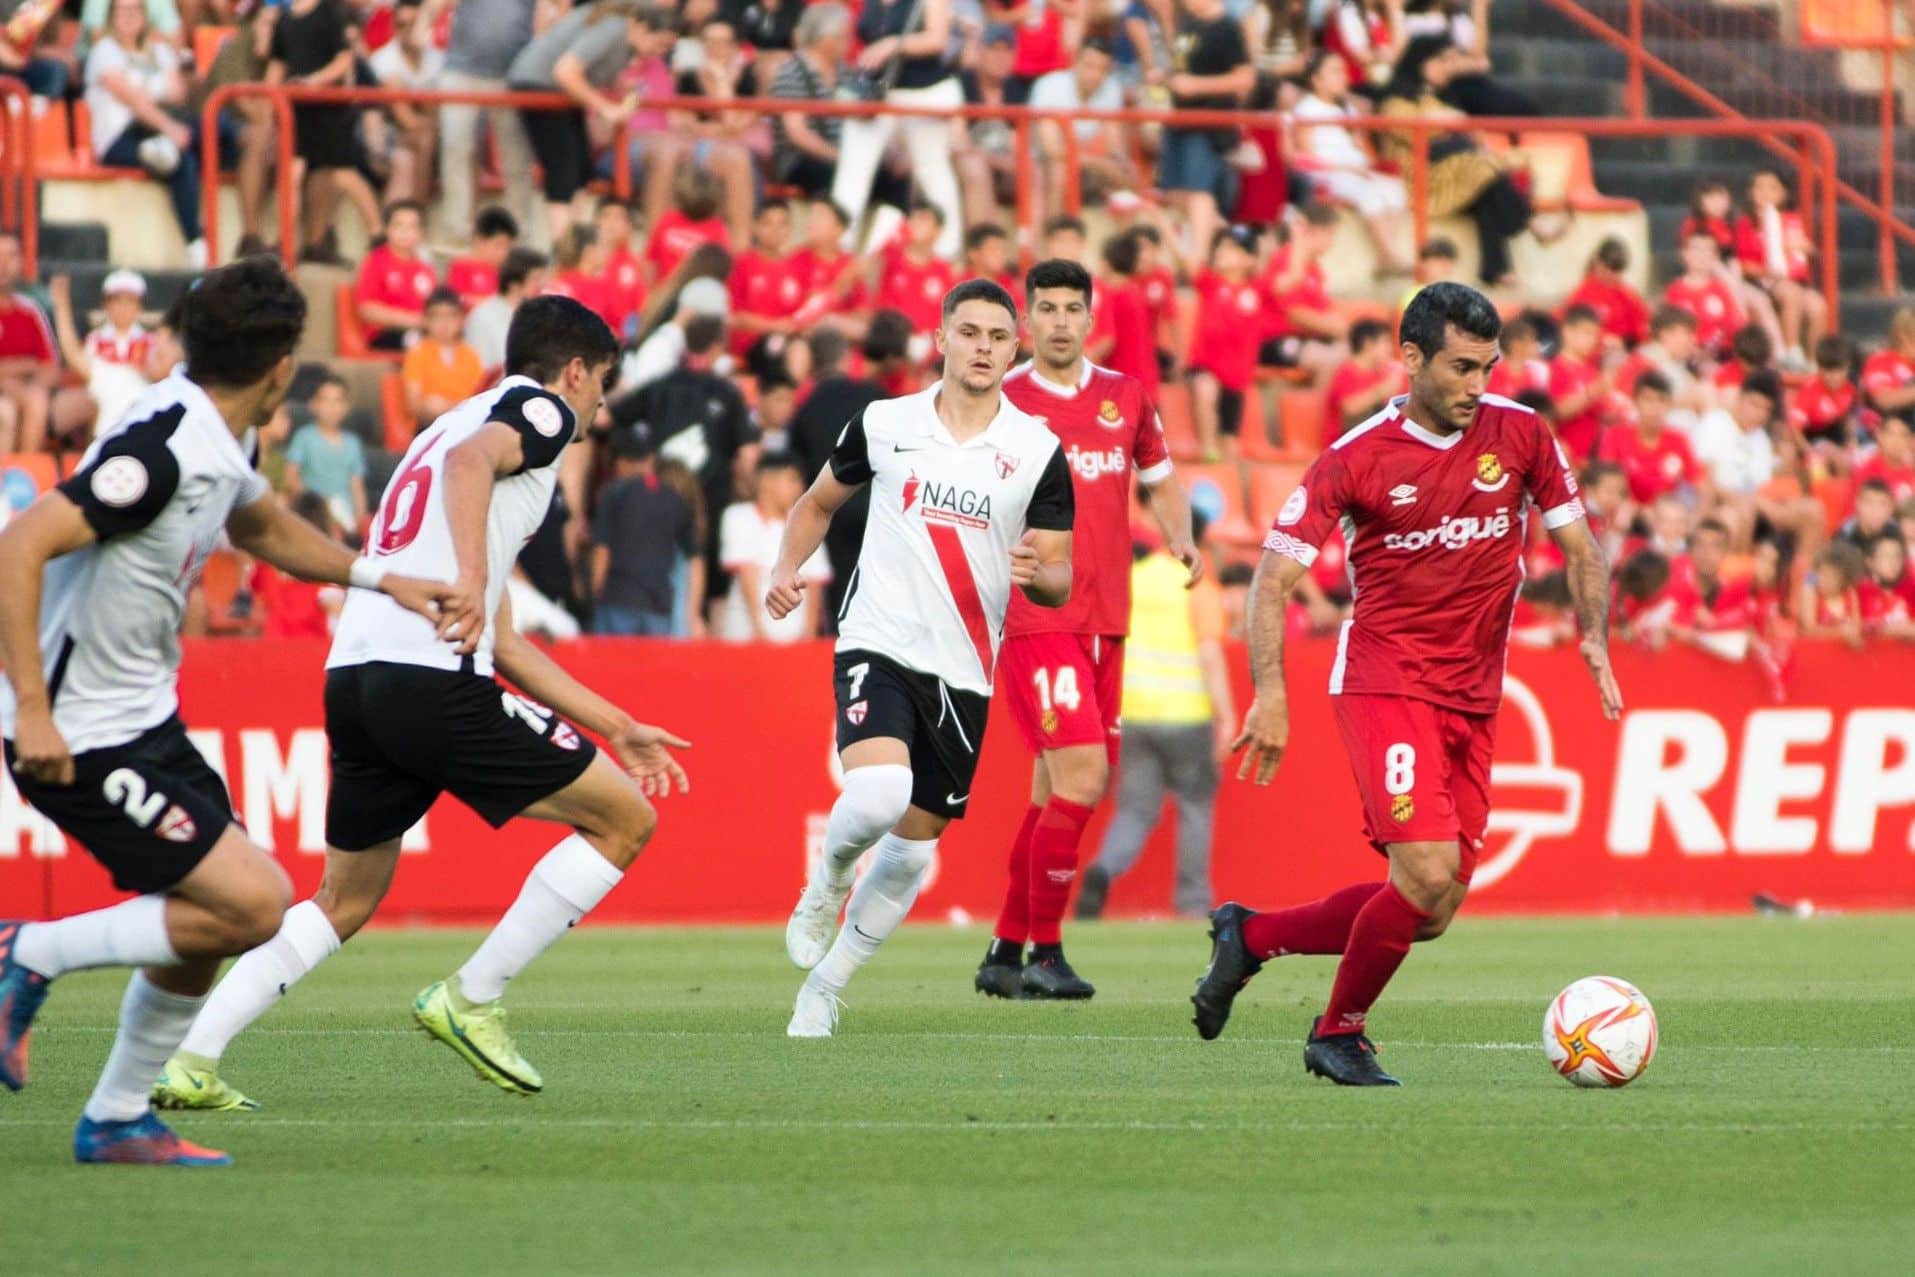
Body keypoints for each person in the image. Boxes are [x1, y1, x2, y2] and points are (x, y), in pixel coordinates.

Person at [150, 296, 691, 1111]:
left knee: (344, 899)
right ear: (574, 371)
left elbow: (504, 639)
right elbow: (473, 473)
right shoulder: (535, 412)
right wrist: (473, 575)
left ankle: (191, 1056)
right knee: (625, 821)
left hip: (358, 678)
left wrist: (616, 724)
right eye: (603, 385)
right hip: (428, 677)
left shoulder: (447, 426)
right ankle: (471, 998)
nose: (600, 407)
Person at [0, 258, 454, 1164]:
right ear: (284, 362)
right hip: (77, 727)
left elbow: (261, 526)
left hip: (141, 719)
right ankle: (25, 948)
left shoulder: (216, 430)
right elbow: (21, 540)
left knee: (209, 915)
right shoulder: (165, 446)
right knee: (255, 900)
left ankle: (120, 1116)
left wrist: (377, 575)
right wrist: (37, 711)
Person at [1194, 281, 1622, 1085]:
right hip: (1384, 679)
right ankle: (1336, 1033)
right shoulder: (1356, 457)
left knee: (1432, 908)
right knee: (1421, 874)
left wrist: (1593, 632)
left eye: (1487, 367)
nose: (1476, 384)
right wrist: (1271, 691)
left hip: (1473, 691)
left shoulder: (1522, 434)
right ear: (1412, 357)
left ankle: (1247, 937)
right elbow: (1271, 579)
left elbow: (1582, 544)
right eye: (1460, 367)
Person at [772, 279, 1076, 1037]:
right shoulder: (883, 422)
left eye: (996, 336)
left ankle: (826, 985)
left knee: (909, 855)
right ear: (938, 339)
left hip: (966, 668)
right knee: (875, 795)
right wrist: (785, 569)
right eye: (966, 331)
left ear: (1016, 348)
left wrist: (1044, 578)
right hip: (877, 638)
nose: (981, 346)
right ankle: (827, 879)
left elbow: (1062, 576)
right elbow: (815, 503)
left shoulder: (1036, 450)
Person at [977, 259, 1198, 1000]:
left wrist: (1181, 537)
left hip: (1107, 621)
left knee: (1053, 791)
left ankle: (1004, 950)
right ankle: (1046, 951)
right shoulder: (1001, 400)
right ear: (1027, 322)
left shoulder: (1123, 397)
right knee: (1083, 776)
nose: (1061, 320)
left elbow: (1160, 476)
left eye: (1074, 307)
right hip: (1039, 615)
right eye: (1048, 308)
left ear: (1090, 317)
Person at [1077, 505, 1234, 920]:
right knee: (1195, 805)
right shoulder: (1198, 584)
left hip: (1134, 712)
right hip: (1186, 716)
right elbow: (1209, 653)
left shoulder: (1135, 580)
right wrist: (1228, 715)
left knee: (1134, 810)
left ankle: (1103, 869)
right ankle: (1193, 902)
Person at [1376, 36, 1535, 287]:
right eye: (1441, 60)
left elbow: (1467, 131)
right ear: (1420, 62)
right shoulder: (1395, 101)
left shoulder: (1440, 98)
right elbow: (1415, 131)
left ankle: (1495, 270)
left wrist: (1451, 123)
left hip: (1452, 171)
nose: (1447, 67)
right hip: (1421, 177)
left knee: (1487, 188)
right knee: (1484, 168)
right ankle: (1531, 222)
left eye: (1450, 61)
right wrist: (1450, 123)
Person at [785, 311, 914, 621]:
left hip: (827, 510)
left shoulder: (805, 406)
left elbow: (795, 467)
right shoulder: (876, 397)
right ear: (845, 358)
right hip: (876, 507)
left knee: (837, 593)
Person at [831, 0, 964, 259]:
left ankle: (948, 252)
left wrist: (892, 45)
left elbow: (937, 39)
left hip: (924, 92)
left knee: (932, 170)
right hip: (877, 93)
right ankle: (838, 248)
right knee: (853, 170)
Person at [506, 0, 642, 246]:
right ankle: (565, 250)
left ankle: (573, 243)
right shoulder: (614, 25)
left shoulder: (605, 21)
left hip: (556, 91)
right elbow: (565, 71)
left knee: (579, 170)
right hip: (540, 87)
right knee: (564, 170)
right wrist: (605, 107)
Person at [85, 0, 206, 267]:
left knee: (207, 130)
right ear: (111, 17)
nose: (128, 17)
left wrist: (145, 96)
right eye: (121, 11)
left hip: (155, 130)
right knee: (176, 153)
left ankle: (199, 245)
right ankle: (196, 243)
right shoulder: (104, 51)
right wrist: (166, 121)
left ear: (145, 15)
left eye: (134, 10)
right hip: (119, 139)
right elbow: (132, 100)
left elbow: (177, 93)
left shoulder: (160, 51)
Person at [268, 0, 381, 265]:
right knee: (293, 173)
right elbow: (277, 65)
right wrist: (269, 100)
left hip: (330, 110)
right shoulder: (284, 20)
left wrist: (313, 82)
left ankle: (378, 234)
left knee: (342, 172)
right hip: (298, 111)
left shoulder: (330, 14)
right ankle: (284, 242)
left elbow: (344, 59)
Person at [1293, 50, 1413, 277]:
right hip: (1330, 174)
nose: (1342, 77)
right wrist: (1347, 168)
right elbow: (1306, 156)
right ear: (1316, 80)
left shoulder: (1346, 108)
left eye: (1342, 72)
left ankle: (1385, 256)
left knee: (1394, 191)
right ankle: (1389, 255)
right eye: (1334, 72)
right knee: (1370, 194)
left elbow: (1359, 146)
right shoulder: (1306, 110)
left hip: (1356, 171)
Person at [1160, 0, 1255, 272]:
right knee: (1176, 191)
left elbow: (1244, 79)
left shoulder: (1227, 29)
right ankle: (1220, 235)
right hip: (1181, 119)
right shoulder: (1189, 24)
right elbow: (1183, 66)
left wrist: (1195, 86)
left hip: (1208, 121)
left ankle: (1198, 261)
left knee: (1199, 190)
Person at [438, 0, 541, 247]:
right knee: (455, 147)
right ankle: (457, 230)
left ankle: (519, 232)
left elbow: (555, 11)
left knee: (516, 157)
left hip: (511, 72)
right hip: (462, 70)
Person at [591, 422, 701, 636]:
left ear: (622, 461)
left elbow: (602, 549)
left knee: (612, 667)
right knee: (651, 670)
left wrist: (596, 592)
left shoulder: (614, 493)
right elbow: (695, 559)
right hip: (658, 605)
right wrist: (693, 613)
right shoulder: (674, 498)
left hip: (618, 599)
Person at [717, 452, 829, 642]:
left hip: (795, 642)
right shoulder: (739, 516)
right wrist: (759, 631)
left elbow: (815, 584)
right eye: (792, 480)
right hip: (747, 638)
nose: (799, 488)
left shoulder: (807, 525)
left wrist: (809, 634)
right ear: (768, 481)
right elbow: (747, 574)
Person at [48, 268, 164, 442]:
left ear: (139, 305)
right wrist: (62, 307)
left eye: (130, 301)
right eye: (116, 301)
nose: (123, 308)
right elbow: (77, 360)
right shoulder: (96, 341)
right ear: (106, 305)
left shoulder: (152, 343)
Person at [1030, 37, 1135, 228]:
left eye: (1102, 69)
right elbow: (1051, 149)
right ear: (1075, 63)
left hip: (1083, 161)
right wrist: (1099, 163)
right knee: (1059, 172)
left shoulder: (1111, 89)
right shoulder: (1050, 86)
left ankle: (1122, 251)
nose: (1094, 74)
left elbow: (1115, 147)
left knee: (1128, 173)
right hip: (1040, 162)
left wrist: (1116, 164)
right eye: (1089, 65)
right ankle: (1052, 247)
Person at [284, 374, 369, 531]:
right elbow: (291, 477)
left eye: (338, 401)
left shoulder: (353, 443)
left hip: (344, 515)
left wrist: (360, 518)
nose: (332, 407)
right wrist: (317, 504)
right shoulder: (304, 437)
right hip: (313, 513)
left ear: (346, 407)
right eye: (325, 401)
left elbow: (356, 485)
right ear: (313, 405)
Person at [354, 200, 440, 350]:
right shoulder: (375, 262)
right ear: (387, 230)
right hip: (385, 333)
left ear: (421, 233)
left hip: (421, 330)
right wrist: (414, 320)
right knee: (422, 343)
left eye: (411, 227)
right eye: (398, 226)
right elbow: (367, 310)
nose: (404, 232)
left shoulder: (426, 269)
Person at [402, 289, 486, 430]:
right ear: (426, 320)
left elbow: (480, 398)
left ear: (461, 320)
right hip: (430, 426)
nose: (444, 323)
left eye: (451, 316)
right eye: (437, 317)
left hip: (466, 423)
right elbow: (414, 405)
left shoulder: (471, 355)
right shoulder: (417, 353)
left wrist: (449, 407)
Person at [468, 247, 549, 375]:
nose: (541, 285)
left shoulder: (539, 318)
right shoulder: (482, 317)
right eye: (535, 279)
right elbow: (481, 370)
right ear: (514, 284)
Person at [448, 206, 521, 308]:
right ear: (479, 241)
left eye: (509, 247)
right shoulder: (461, 266)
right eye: (499, 245)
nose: (505, 252)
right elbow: (455, 300)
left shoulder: (506, 272)